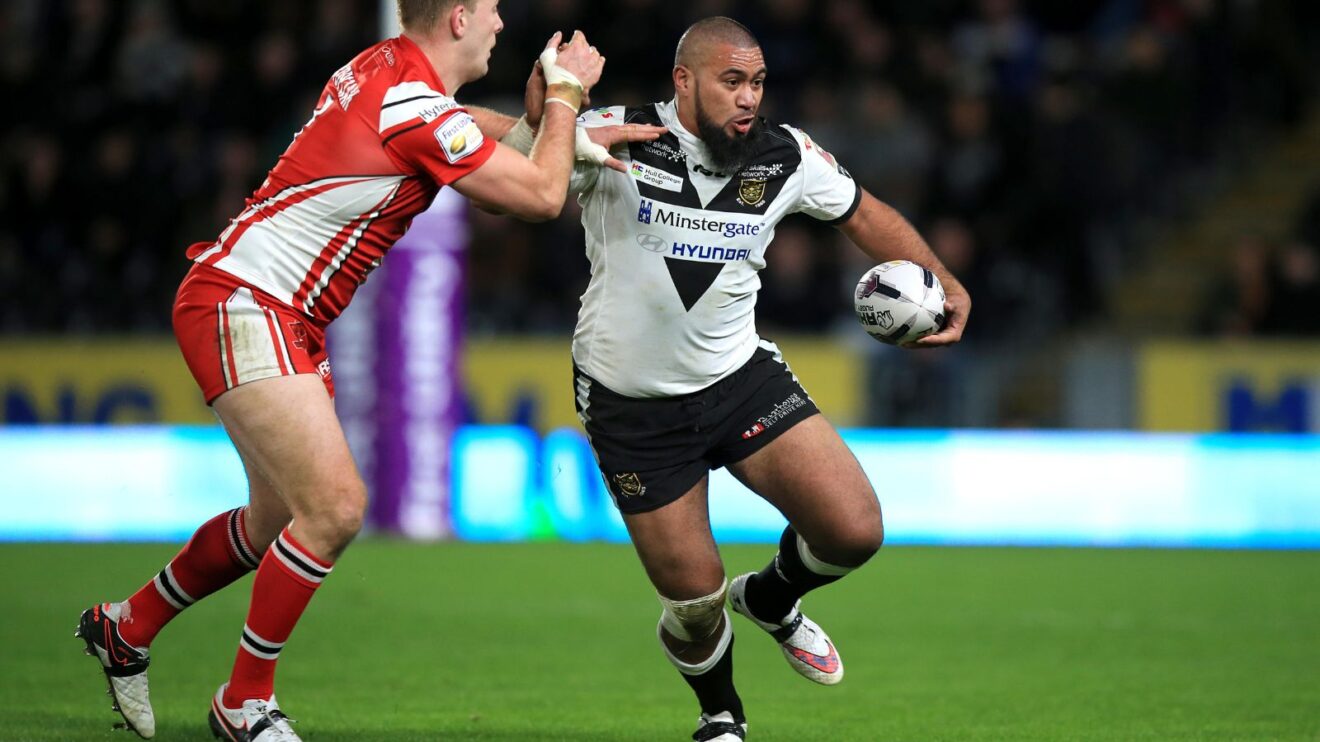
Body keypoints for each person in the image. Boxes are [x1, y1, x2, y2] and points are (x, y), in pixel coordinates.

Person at [73, 2, 662, 739]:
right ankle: (243, 700)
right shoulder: (412, 101)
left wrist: (550, 129)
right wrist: (567, 99)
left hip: (266, 308)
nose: (502, 23)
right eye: (490, 9)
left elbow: (464, 132)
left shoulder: (382, 68)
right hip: (247, 303)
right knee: (336, 508)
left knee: (276, 521)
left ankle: (129, 627)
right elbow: (540, 197)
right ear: (455, 19)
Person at [506, 17, 970, 741]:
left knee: (854, 530)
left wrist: (941, 278)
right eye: (732, 82)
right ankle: (720, 715)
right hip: (633, 405)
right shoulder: (614, 130)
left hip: (737, 380)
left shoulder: (786, 155)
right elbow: (508, 178)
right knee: (693, 604)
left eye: (756, 82)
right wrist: (545, 120)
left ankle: (774, 598)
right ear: (683, 81)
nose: (749, 97)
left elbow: (864, 214)